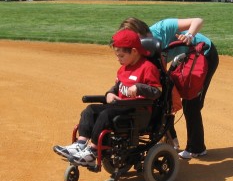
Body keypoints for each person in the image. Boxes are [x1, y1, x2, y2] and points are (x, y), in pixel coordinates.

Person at [53, 29, 162, 166]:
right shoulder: (124, 68)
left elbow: (157, 91)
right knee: (90, 110)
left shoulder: (148, 68)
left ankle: (92, 152)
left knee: (105, 114)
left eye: (121, 56)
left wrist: (139, 88)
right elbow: (117, 87)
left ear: (134, 51)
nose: (118, 59)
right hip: (120, 107)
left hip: (137, 111)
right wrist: (109, 93)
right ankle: (80, 144)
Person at [119, 17, 219, 159]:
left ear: (143, 32)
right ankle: (172, 141)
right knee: (165, 99)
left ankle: (197, 148)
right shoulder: (142, 48)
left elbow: (198, 20)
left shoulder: (163, 27)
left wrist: (189, 35)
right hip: (184, 58)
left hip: (203, 54)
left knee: (191, 102)